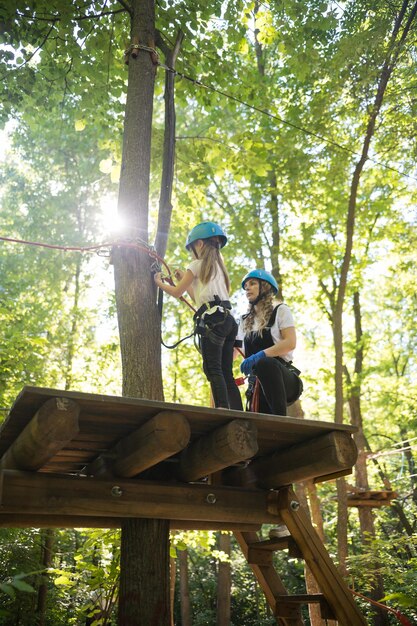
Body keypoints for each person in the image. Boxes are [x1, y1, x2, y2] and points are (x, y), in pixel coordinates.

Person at [154, 221, 243, 411]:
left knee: (213, 368)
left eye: (192, 248)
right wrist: (186, 283)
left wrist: (159, 283)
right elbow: (199, 301)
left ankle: (222, 409)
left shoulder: (195, 265)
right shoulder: (219, 269)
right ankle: (236, 411)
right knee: (226, 371)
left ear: (199, 245)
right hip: (228, 321)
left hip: (214, 322)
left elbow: (177, 292)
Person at [238, 269, 302, 416]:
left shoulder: (280, 310)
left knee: (265, 363)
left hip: (283, 379)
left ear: (265, 287)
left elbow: (290, 343)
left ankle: (280, 423)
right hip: (257, 384)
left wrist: (261, 355)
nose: (247, 287)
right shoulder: (244, 320)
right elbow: (234, 352)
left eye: (252, 283)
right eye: (246, 285)